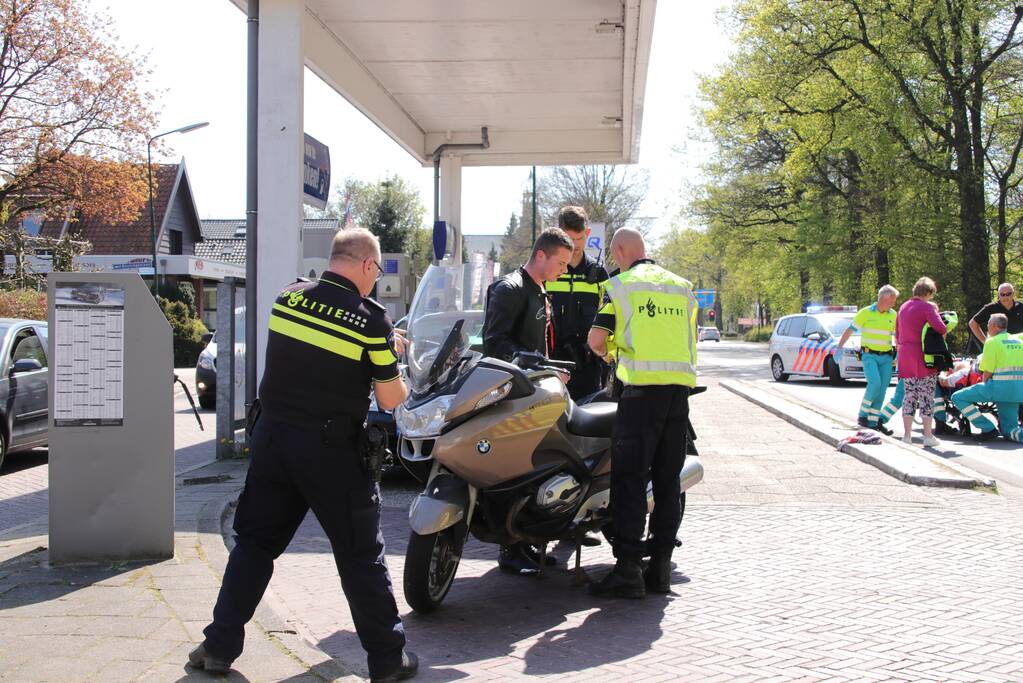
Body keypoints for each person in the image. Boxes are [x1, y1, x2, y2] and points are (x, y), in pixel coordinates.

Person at [189, 228, 418, 683]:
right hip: (332, 454)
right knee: (360, 557)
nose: (374, 280)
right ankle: (388, 661)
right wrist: (390, 355)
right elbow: (390, 398)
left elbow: (316, 353)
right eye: (376, 272)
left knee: (254, 544)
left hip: (273, 443)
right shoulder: (372, 321)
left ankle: (217, 646)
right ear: (367, 265)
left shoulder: (288, 297)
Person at [586, 228, 698, 598]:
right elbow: (691, 339)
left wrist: (611, 356)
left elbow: (596, 340)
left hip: (639, 397)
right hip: (678, 396)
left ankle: (628, 569)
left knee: (630, 481)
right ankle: (660, 569)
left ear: (619, 250)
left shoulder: (620, 287)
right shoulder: (682, 287)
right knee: (668, 482)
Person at [481, 227, 573, 574]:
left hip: (535, 391)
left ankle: (526, 540)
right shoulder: (510, 289)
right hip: (513, 394)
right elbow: (494, 342)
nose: (564, 270)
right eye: (561, 263)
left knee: (537, 466)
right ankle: (511, 548)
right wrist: (536, 364)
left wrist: (549, 369)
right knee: (515, 469)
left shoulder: (538, 289)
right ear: (541, 255)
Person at [548, 206, 609, 399]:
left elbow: (609, 318)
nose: (574, 245)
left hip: (589, 366)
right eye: (569, 239)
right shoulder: (548, 271)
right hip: (552, 365)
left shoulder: (599, 273)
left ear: (587, 233)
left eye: (579, 238)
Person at [836, 285, 899, 435]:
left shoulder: (893, 315)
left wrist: (900, 353)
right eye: (892, 300)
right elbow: (850, 330)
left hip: (886, 357)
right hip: (869, 355)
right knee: (875, 383)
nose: (894, 304)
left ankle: (873, 422)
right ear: (883, 298)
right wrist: (839, 347)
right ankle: (863, 415)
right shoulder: (865, 313)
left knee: (882, 389)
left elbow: (898, 335)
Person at [951, 313, 1023, 442]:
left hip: (998, 388)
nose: (987, 327)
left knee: (957, 397)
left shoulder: (992, 342)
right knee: (1009, 431)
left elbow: (988, 371)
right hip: (1018, 391)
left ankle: (987, 428)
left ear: (994, 326)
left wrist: (984, 385)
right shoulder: (1019, 341)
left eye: (988, 324)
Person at [895, 277, 947, 447]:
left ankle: (907, 435)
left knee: (909, 395)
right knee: (926, 396)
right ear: (928, 292)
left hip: (905, 355)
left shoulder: (903, 307)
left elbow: (897, 333)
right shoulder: (927, 307)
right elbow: (941, 328)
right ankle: (928, 436)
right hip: (924, 356)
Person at [968, 282, 1023, 347]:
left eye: (1008, 294)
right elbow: (972, 323)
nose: (1005, 297)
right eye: (1002, 294)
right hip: (997, 348)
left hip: (1018, 347)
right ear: (998, 295)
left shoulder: (1021, 307)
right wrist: (986, 342)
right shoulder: (990, 308)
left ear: (1013, 293)